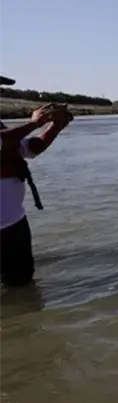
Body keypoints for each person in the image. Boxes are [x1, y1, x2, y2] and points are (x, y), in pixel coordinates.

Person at [0, 103, 74, 287]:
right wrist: (34, 123)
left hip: (14, 224)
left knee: (22, 284)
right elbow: (3, 142)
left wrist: (55, 126)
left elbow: (30, 148)